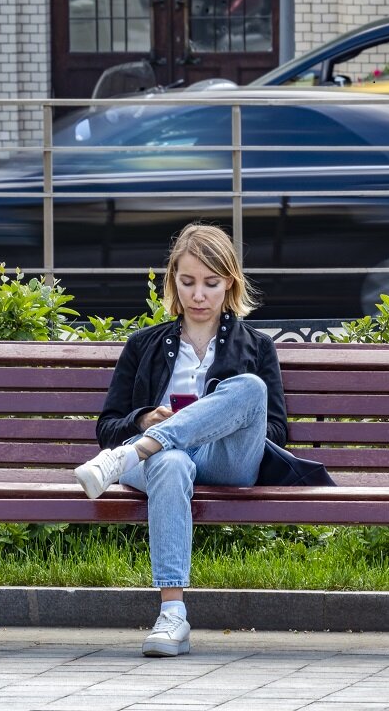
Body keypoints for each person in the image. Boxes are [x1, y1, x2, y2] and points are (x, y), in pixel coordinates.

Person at [73, 222, 332, 658]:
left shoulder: (256, 347)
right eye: (188, 282)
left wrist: (208, 422)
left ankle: (144, 448)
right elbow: (108, 425)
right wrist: (142, 419)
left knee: (249, 388)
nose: (198, 295)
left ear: (229, 282)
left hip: (225, 460)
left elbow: (272, 432)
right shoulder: (143, 345)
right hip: (161, 467)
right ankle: (172, 617)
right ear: (173, 279)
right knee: (170, 462)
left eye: (211, 284)